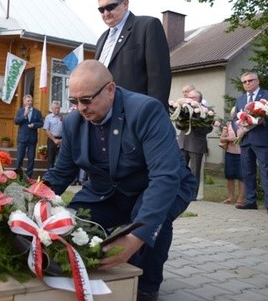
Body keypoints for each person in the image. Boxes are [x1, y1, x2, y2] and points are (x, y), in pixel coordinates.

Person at [43, 60, 196, 301]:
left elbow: (164, 177)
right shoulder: (73, 122)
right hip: (106, 192)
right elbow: (61, 173)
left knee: (149, 224)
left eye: (86, 100)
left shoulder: (146, 111)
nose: (80, 108)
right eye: (74, 101)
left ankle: (146, 287)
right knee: (69, 221)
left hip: (161, 186)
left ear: (110, 89)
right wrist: (31, 199)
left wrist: (135, 238)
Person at [94, 0, 171, 111]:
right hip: (106, 114)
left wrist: (154, 114)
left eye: (110, 7)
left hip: (137, 112)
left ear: (125, 4)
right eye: (101, 10)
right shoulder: (102, 39)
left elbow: (159, 77)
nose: (106, 13)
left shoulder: (147, 26)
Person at [234, 71, 268, 215]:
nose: (247, 83)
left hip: (263, 140)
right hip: (245, 141)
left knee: (266, 172)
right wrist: (239, 129)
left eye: (250, 80)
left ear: (258, 81)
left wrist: (263, 121)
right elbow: (235, 118)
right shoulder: (240, 99)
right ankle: (250, 201)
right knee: (248, 172)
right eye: (245, 82)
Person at [176, 89, 213, 200]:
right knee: (180, 169)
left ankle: (192, 194)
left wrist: (197, 124)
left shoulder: (205, 110)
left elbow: (208, 128)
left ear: (199, 99)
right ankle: (178, 191)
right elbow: (179, 126)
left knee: (194, 171)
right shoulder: (183, 109)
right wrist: (181, 122)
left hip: (196, 144)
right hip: (183, 143)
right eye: (189, 97)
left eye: (193, 98)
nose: (190, 99)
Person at [219, 107, 245, 206]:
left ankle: (240, 199)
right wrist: (228, 138)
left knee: (242, 177)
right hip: (230, 153)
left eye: (236, 113)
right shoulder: (229, 124)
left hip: (242, 154)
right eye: (233, 113)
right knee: (230, 176)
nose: (234, 115)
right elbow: (222, 138)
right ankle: (230, 197)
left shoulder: (245, 124)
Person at [14, 94, 43, 179]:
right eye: (28, 101)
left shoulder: (37, 112)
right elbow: (16, 121)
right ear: (24, 102)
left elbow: (41, 123)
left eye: (31, 101)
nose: (30, 102)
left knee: (31, 158)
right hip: (22, 138)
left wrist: (34, 125)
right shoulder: (20, 111)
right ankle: (18, 175)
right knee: (20, 157)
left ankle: (28, 176)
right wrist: (24, 115)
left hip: (32, 138)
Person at [42, 100, 63, 168]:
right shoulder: (48, 117)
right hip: (52, 140)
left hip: (61, 141)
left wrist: (61, 140)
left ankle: (59, 177)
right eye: (55, 108)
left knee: (61, 160)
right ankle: (50, 177)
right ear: (52, 109)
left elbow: (66, 129)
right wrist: (54, 140)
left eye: (58, 108)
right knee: (51, 160)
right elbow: (46, 130)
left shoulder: (62, 117)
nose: (57, 110)